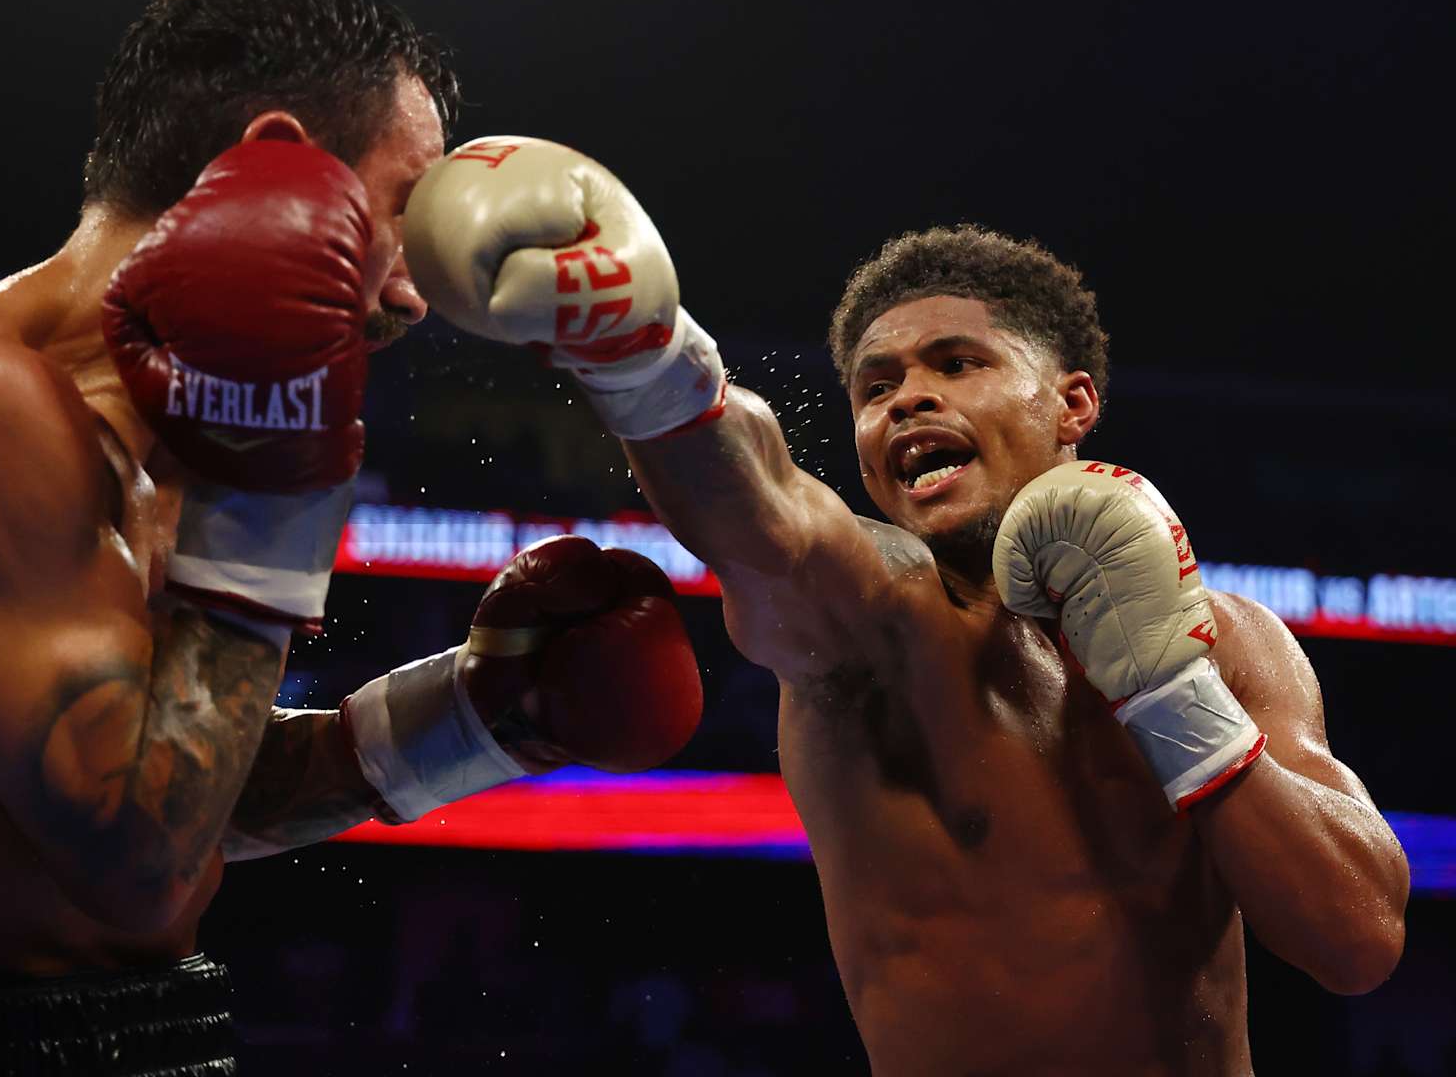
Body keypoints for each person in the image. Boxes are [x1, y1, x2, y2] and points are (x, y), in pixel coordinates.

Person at [0, 0, 701, 1074]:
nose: (417, 290)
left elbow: (178, 789)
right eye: (401, 213)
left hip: (150, 1026)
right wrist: (275, 494)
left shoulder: (190, 436)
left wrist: (480, 718)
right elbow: (134, 857)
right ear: (281, 168)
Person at [403, 137, 1412, 1074]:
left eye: (956, 365)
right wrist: (644, 355)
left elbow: (1358, 938)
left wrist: (1168, 689)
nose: (905, 400)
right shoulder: (881, 627)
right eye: (874, 387)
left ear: (1073, 402)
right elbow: (766, 508)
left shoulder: (1232, 639)